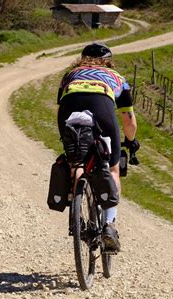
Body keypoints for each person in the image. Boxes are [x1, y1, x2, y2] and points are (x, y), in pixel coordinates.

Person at [57, 43, 139, 252]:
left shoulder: (70, 74)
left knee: (77, 160)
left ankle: (76, 204)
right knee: (112, 168)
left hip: (69, 106)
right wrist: (130, 141)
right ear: (108, 61)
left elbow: (61, 101)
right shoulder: (117, 78)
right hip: (100, 104)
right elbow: (129, 120)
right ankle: (109, 226)